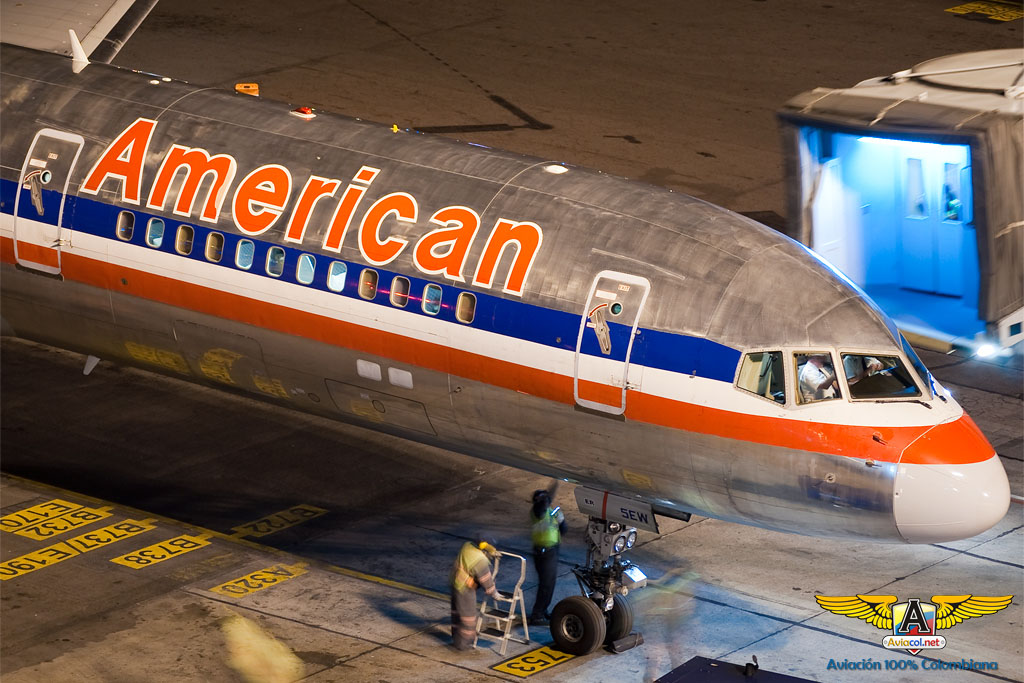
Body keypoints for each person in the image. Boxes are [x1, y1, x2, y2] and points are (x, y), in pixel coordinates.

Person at [450, 535, 498, 650]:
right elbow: (486, 581)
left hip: (455, 582)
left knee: (457, 614)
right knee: (468, 617)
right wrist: (494, 593)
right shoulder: (480, 560)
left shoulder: (467, 546)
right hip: (465, 588)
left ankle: (456, 639)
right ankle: (464, 644)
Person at [528, 488, 567, 626]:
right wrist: (544, 499)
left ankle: (543, 610)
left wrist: (561, 521)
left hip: (552, 551)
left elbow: (563, 531)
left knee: (550, 584)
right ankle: (537, 615)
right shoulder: (537, 512)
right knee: (545, 585)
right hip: (543, 553)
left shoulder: (551, 512)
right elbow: (540, 508)